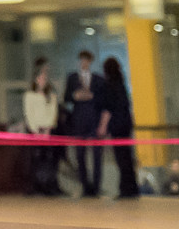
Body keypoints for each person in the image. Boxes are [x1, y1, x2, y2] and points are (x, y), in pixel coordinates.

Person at [64, 50, 106, 197]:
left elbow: (102, 99)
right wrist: (75, 96)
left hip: (93, 120)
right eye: (82, 60)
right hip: (79, 120)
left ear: (90, 62)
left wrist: (91, 96)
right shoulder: (72, 78)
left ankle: (96, 187)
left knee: (96, 154)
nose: (84, 63)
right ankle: (84, 186)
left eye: (86, 60)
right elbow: (66, 97)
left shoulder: (98, 79)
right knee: (80, 154)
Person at [98, 56, 138, 198]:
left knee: (121, 159)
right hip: (126, 125)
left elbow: (108, 109)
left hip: (117, 126)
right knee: (127, 157)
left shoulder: (109, 85)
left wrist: (102, 126)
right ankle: (131, 188)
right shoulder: (121, 83)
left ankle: (125, 189)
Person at [23, 57, 62, 196]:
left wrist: (48, 129)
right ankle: (36, 186)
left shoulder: (51, 95)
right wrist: (35, 130)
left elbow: (53, 113)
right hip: (35, 132)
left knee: (50, 160)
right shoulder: (29, 95)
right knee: (36, 160)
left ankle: (49, 186)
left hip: (48, 131)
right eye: (40, 77)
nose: (42, 80)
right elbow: (29, 114)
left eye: (44, 78)